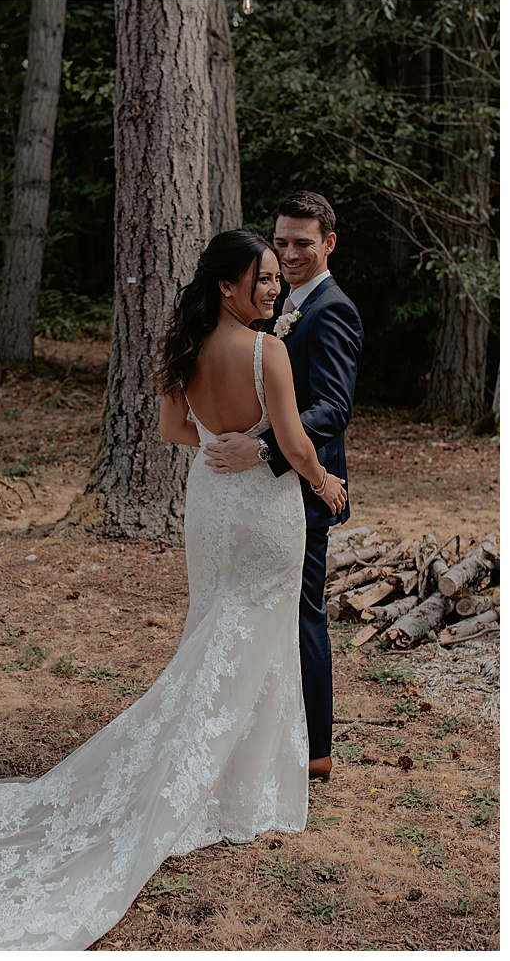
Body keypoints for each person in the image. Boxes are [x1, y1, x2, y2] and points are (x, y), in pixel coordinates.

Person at [0, 230, 346, 950]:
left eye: (279, 278)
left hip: (211, 505)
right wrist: (324, 481)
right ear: (228, 285)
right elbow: (296, 444)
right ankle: (242, 790)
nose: (276, 290)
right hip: (263, 511)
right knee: (254, 636)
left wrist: (219, 443)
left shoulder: (185, 345)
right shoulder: (266, 352)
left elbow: (174, 429)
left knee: (218, 630)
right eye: (265, 278)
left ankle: (232, 779)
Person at [203, 191, 363, 782]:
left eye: (302, 243)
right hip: (267, 493)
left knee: (303, 614)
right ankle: (267, 732)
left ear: (329, 243)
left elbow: (332, 408)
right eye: (281, 242)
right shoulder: (283, 305)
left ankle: (316, 748)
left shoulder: (333, 310)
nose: (290, 253)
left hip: (301, 488)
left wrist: (264, 446)